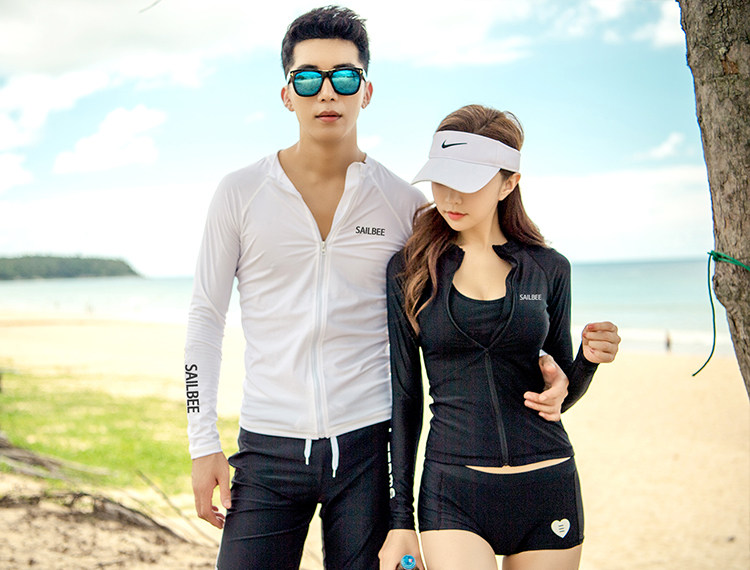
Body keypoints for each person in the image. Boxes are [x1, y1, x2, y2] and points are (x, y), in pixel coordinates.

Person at [186, 6, 581, 568]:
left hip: (369, 453)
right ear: (286, 94)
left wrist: (556, 369)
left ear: (366, 92)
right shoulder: (240, 193)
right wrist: (203, 442)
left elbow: (485, 282)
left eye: (345, 77)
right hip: (267, 448)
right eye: (308, 77)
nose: (327, 91)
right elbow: (205, 317)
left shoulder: (405, 205)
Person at [379, 105, 621, 570]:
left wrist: (587, 363)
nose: (450, 196)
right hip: (453, 490)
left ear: (509, 183)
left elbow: (557, 395)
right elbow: (405, 397)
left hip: (548, 481)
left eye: (468, 182)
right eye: (441, 179)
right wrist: (400, 520)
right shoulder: (409, 271)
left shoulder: (549, 268)